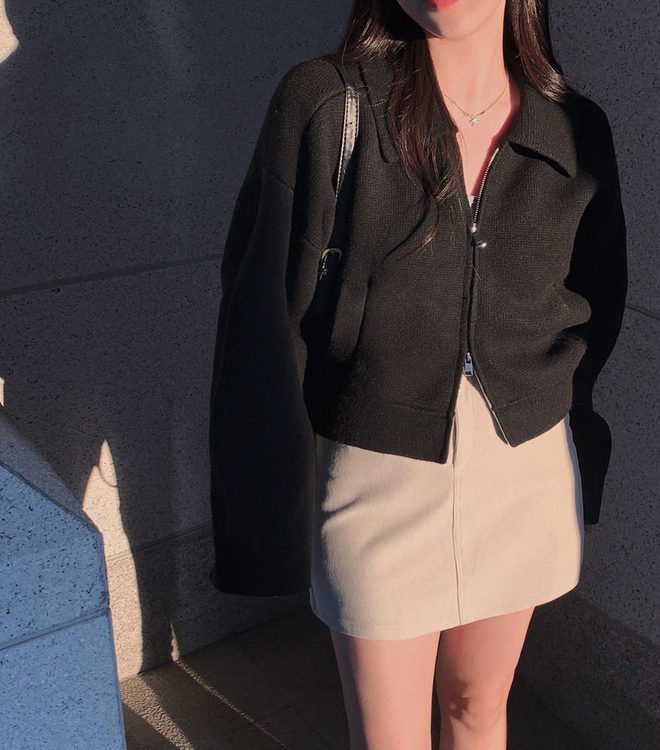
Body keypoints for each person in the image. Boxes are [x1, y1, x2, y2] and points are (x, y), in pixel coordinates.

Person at [208, 0, 628, 747]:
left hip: (526, 468)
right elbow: (262, 322)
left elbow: (592, 312)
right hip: (377, 477)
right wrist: (263, 516)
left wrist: (582, 456)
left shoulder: (575, 127)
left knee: (479, 707)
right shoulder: (327, 103)